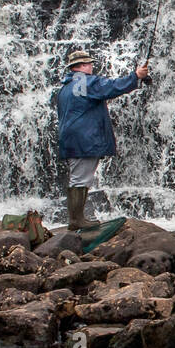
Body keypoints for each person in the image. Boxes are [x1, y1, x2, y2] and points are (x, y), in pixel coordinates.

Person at [55, 48, 149, 229]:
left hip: (72, 138)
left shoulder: (65, 88)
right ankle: (76, 220)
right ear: (82, 66)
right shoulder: (83, 82)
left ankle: (76, 219)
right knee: (80, 179)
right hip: (85, 138)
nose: (92, 67)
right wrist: (135, 76)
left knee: (79, 177)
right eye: (89, 64)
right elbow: (111, 87)